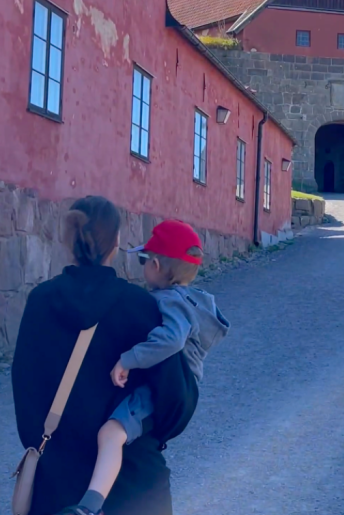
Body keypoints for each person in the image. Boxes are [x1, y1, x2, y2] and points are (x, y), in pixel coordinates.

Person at [12, 196, 197, 515]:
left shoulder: (39, 303)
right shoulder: (143, 308)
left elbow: (25, 397)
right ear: (116, 243)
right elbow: (176, 402)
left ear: (69, 241)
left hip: (57, 488)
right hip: (137, 487)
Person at [66, 220, 229, 515]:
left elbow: (171, 340)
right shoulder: (192, 300)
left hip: (162, 391)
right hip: (176, 387)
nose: (142, 267)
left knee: (111, 434)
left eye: (143, 260)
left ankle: (88, 507)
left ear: (154, 264)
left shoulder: (171, 302)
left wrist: (127, 359)